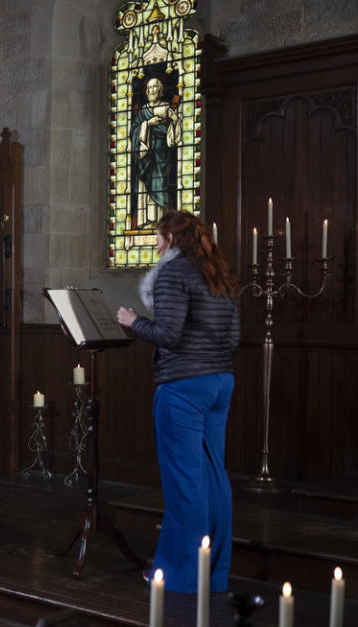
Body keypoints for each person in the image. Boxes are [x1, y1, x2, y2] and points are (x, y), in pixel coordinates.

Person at [116, 210, 240, 593]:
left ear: (171, 240)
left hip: (184, 388)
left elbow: (168, 334)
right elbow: (234, 337)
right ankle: (214, 574)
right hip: (220, 382)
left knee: (185, 484)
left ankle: (184, 577)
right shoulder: (218, 274)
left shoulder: (173, 273)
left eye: (157, 238)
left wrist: (131, 321)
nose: (155, 245)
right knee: (214, 478)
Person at [131, 76, 182, 229]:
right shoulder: (143, 111)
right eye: (149, 88)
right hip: (145, 155)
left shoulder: (167, 107)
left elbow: (173, 136)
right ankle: (146, 220)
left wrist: (174, 120)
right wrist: (147, 124)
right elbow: (133, 132)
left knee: (160, 184)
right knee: (145, 187)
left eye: (155, 87)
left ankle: (160, 221)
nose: (152, 90)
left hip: (161, 154)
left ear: (160, 90)